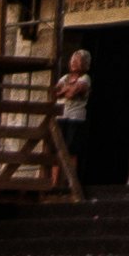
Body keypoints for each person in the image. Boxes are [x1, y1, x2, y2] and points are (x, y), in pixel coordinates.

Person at [54, 47, 92, 183]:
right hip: (61, 116)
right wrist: (66, 90)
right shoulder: (65, 77)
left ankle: (71, 182)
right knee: (58, 149)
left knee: (71, 151)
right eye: (73, 61)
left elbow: (72, 93)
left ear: (84, 64)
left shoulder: (85, 78)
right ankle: (55, 182)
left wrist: (65, 90)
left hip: (76, 118)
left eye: (77, 61)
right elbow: (54, 92)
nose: (73, 64)